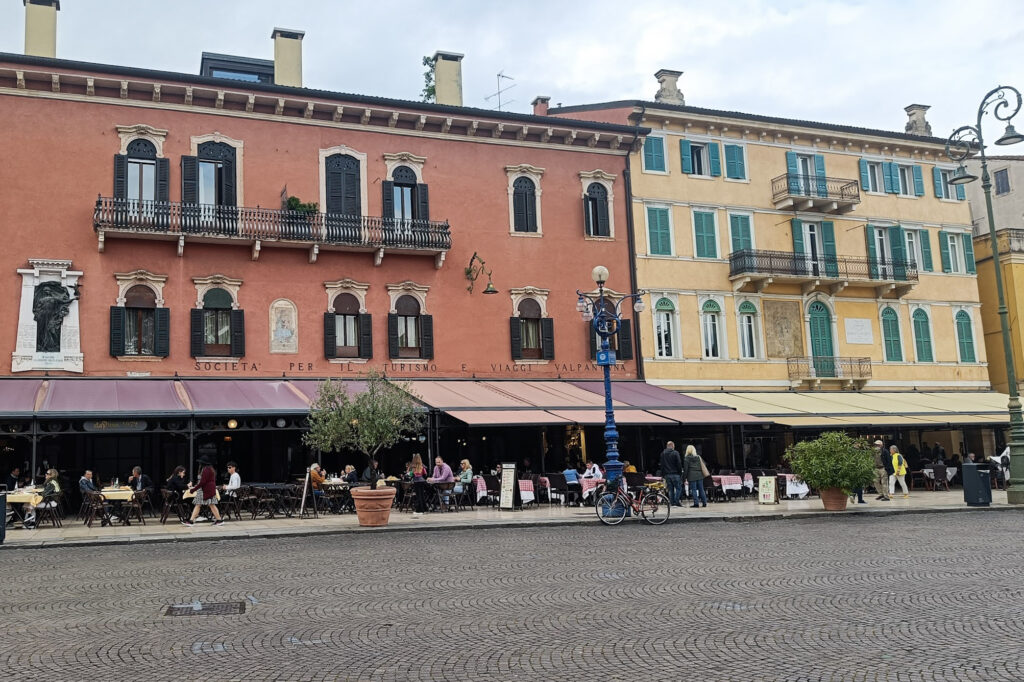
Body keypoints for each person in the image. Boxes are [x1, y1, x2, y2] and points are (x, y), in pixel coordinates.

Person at [183, 458, 223, 526]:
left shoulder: (206, 469)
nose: (199, 464)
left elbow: (203, 482)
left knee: (200, 504)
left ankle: (191, 521)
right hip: (208, 489)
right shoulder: (210, 469)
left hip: (204, 490)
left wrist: (193, 489)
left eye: (200, 462)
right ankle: (219, 520)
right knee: (209, 504)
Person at [659, 441, 683, 507]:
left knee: (670, 489)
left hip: (667, 474)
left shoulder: (663, 453)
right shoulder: (675, 453)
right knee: (679, 488)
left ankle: (672, 503)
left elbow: (662, 465)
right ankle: (676, 501)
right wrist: (680, 472)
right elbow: (679, 463)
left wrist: (663, 474)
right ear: (672, 446)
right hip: (675, 474)